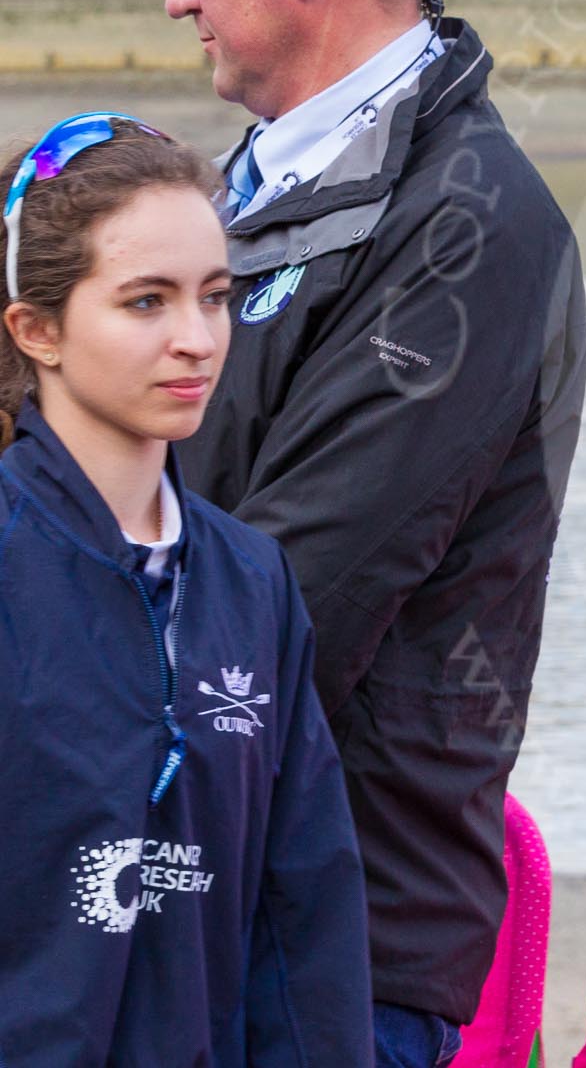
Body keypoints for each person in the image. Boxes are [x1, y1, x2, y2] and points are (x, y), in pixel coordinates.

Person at [162, 0, 586, 1067]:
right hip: (171, 904)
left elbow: (283, 604)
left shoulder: (470, 229)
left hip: (317, 952)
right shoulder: (255, 186)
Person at [0, 115, 370, 1064]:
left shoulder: (251, 581)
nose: (197, 339)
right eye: (145, 303)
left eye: (215, 297)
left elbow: (304, 912)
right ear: (36, 328)